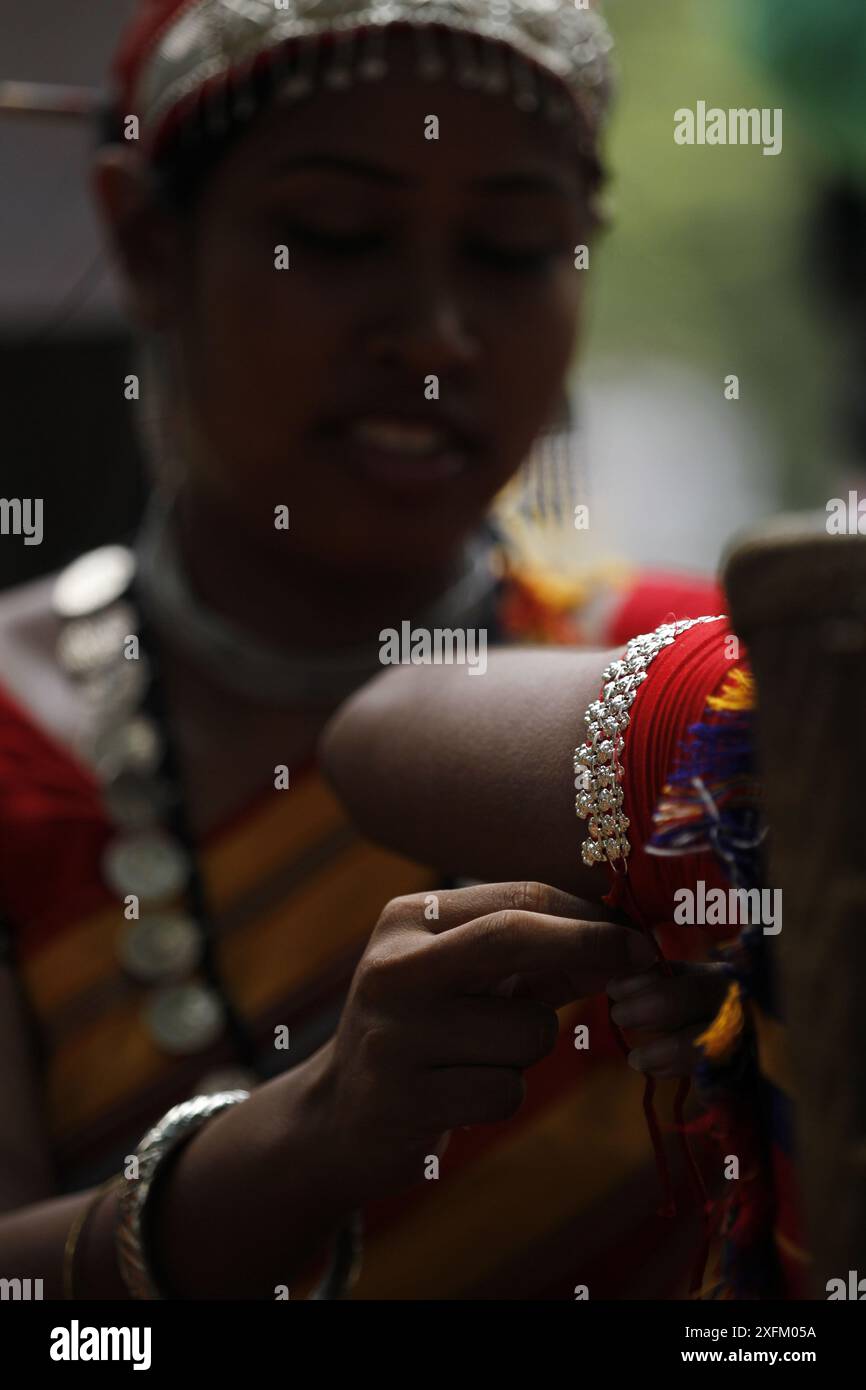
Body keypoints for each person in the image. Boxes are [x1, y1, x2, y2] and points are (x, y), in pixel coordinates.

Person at [0, 0, 724, 1300]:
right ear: (147, 242)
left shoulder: (705, 690)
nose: (436, 332)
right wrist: (309, 1134)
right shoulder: (14, 737)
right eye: (331, 236)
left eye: (512, 248)